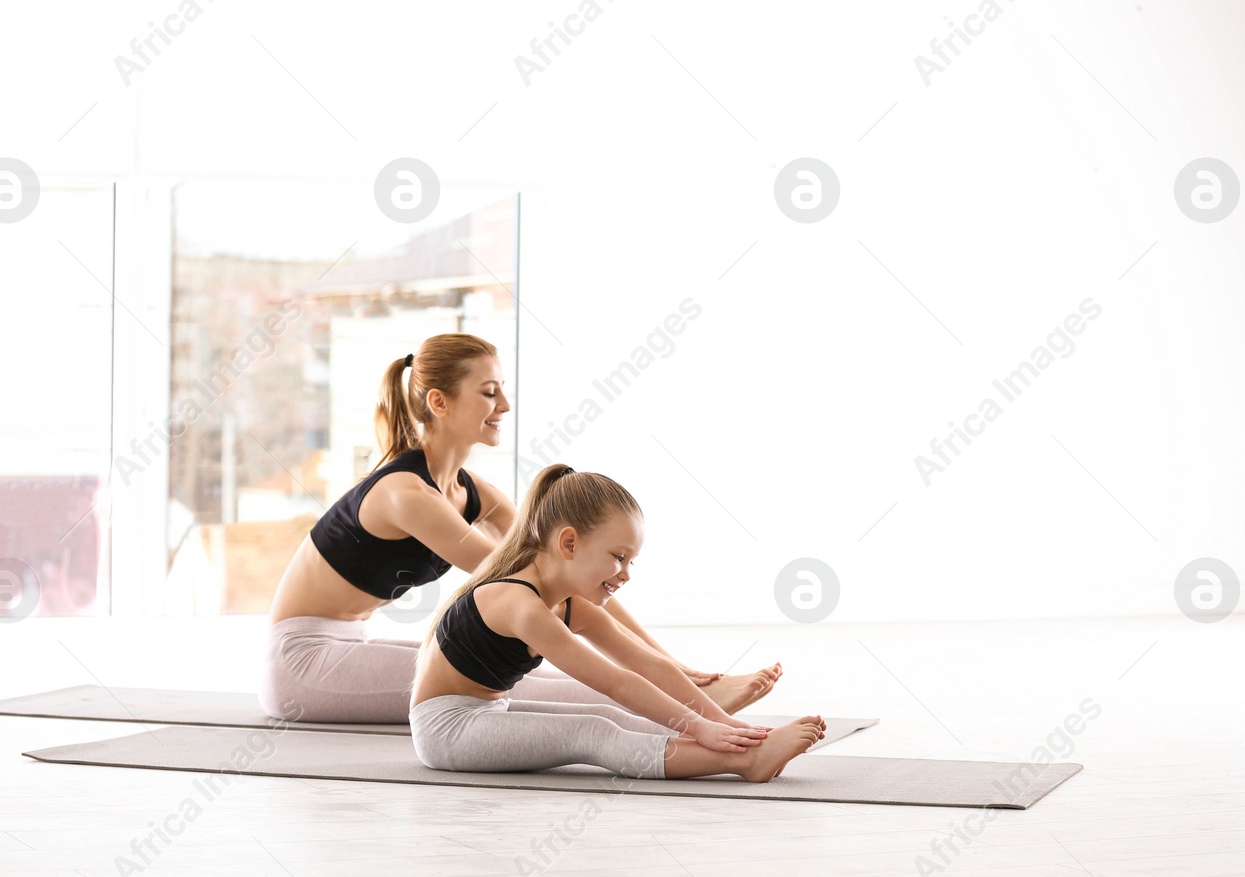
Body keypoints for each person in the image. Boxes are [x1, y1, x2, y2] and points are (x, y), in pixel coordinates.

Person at [258, 332, 782, 723]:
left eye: (501, 390)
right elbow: (524, 579)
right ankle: (686, 703)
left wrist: (674, 667)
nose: (503, 405)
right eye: (489, 393)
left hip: (348, 645)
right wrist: (671, 677)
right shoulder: (406, 495)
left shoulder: (469, 490)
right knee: (517, 687)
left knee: (540, 651)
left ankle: (686, 694)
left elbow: (573, 575)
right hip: (302, 664)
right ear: (440, 402)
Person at [410, 463, 825, 780]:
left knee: (622, 720)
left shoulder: (565, 600)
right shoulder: (519, 603)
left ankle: (747, 746)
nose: (625, 573)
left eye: (631, 560)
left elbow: (648, 664)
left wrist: (728, 725)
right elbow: (616, 682)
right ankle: (749, 762)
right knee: (592, 731)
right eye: (618, 556)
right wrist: (699, 726)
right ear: (568, 543)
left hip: (487, 712)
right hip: (447, 730)